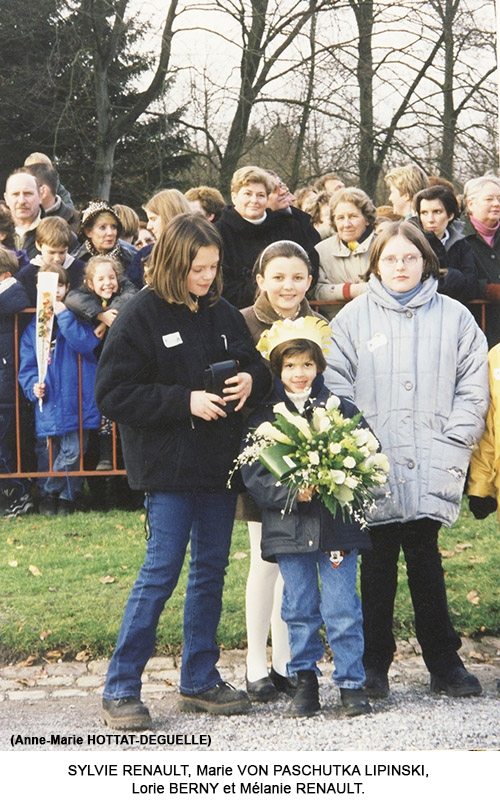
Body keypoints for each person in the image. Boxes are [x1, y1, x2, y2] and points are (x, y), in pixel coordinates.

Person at [94, 213, 271, 730]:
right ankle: (121, 688)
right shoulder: (139, 315)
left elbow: (255, 365)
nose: (209, 277)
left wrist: (250, 382)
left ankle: (199, 679)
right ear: (174, 262)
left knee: (210, 573)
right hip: (166, 470)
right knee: (160, 573)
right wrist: (183, 401)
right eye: (199, 268)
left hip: (218, 467)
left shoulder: (221, 312)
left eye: (214, 268)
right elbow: (113, 393)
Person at [325, 221, 489, 699]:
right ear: (375, 264)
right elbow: (336, 386)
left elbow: (472, 385)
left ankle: (443, 661)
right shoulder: (352, 319)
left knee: (425, 560)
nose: (401, 267)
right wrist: (355, 448)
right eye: (391, 259)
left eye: (410, 258)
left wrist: (454, 439)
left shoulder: (455, 317)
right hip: (372, 461)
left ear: (426, 262)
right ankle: (374, 662)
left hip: (432, 455)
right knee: (375, 567)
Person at [241, 317, 372, 717]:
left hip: (336, 530)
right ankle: (304, 681)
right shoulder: (264, 417)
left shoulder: (340, 409)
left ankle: (351, 683)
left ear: (319, 367)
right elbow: (254, 474)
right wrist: (290, 491)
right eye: (290, 366)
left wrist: (341, 473)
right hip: (289, 529)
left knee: (341, 607)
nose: (300, 375)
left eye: (307, 365)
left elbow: (367, 452)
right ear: (278, 370)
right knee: (297, 606)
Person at [239, 240, 321, 702]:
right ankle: (255, 661)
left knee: (297, 564)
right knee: (265, 561)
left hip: (310, 462)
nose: (287, 286)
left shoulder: (318, 326)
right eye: (278, 277)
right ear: (261, 280)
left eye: (296, 277)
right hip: (263, 462)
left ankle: (287, 660)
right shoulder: (244, 323)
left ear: (308, 281)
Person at [18, 264, 101, 515]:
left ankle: (57, 492)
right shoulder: (34, 328)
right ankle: (56, 495)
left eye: (60, 286)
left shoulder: (77, 317)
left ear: (67, 289)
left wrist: (64, 315)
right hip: (50, 400)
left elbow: (86, 345)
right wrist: (33, 387)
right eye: (48, 287)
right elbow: (28, 366)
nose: (54, 292)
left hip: (78, 399)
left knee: (76, 450)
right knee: (49, 451)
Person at [215, 166, 291, 308]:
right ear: (234, 197)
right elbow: (221, 282)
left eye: (260, 195)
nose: (254, 200)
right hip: (236, 309)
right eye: (247, 194)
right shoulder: (217, 233)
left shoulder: (282, 227)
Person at [0, 247, 32, 515]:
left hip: (7, 387)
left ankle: (18, 494)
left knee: (6, 447)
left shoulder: (13, 291)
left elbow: (17, 300)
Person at [313, 187, 377, 319]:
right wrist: (349, 291)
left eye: (353, 216)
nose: (346, 224)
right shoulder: (321, 251)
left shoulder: (384, 246)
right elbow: (315, 290)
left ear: (367, 219)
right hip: (335, 324)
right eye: (340, 218)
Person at [413, 185, 477, 303]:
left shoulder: (462, 244)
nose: (430, 219)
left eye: (437, 212)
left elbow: (471, 287)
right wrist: (454, 277)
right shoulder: (412, 243)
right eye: (424, 213)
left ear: (450, 215)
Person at [461, 175, 500, 347]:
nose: (497, 203)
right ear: (471, 204)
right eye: (489, 199)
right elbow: (457, 278)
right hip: (476, 329)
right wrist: (488, 289)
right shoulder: (457, 238)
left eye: (499, 198)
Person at [126, 189, 191, 290]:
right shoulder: (145, 254)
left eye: (153, 219)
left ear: (168, 216)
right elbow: (130, 289)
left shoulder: (199, 251)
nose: (149, 226)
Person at [17, 217, 86, 306]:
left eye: (62, 252)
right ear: (38, 245)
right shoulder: (27, 274)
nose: (57, 258)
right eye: (51, 252)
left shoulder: (80, 269)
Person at [71, 199, 136, 273]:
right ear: (88, 232)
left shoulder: (131, 259)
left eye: (113, 227)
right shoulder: (76, 261)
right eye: (102, 227)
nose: (110, 233)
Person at [24, 162, 80, 235]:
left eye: (26, 192)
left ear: (42, 192)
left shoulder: (79, 224)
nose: (20, 200)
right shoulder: (11, 221)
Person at [4, 170, 43, 260]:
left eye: (28, 194)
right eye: (15, 194)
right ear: (6, 199)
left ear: (40, 196)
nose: (22, 201)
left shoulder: (58, 232)